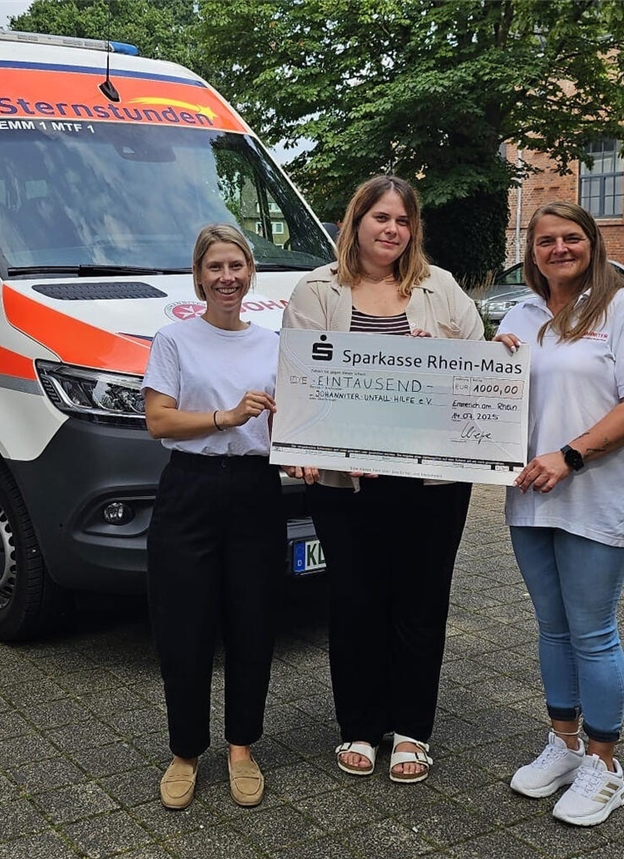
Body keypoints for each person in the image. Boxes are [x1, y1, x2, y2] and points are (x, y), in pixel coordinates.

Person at [282, 175, 484, 783]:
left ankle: (412, 729)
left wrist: (443, 360)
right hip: (345, 483)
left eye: (402, 220)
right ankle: (361, 726)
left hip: (431, 484)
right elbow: (298, 379)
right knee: (354, 602)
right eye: (381, 218)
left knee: (421, 602)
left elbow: (477, 376)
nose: (392, 230)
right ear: (356, 222)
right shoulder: (317, 289)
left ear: (413, 229)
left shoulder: (441, 288)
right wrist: (302, 448)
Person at [494, 201, 624, 827]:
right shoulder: (521, 314)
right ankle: (565, 744)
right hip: (529, 496)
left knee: (592, 632)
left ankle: (604, 765)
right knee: (552, 628)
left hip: (596, 494)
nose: (559, 249)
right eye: (546, 240)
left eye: (571, 237)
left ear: (592, 244)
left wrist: (569, 456)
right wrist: (486, 363)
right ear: (531, 251)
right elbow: (491, 395)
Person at [142, 224, 284, 810]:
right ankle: (185, 752)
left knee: (253, 623)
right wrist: (225, 417)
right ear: (199, 277)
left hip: (255, 489)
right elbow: (159, 421)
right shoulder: (174, 340)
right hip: (190, 488)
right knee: (184, 626)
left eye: (237, 266)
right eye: (216, 267)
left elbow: (292, 421)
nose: (227, 277)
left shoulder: (274, 343)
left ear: (251, 272)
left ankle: (242, 748)